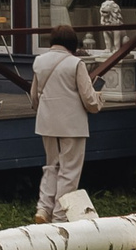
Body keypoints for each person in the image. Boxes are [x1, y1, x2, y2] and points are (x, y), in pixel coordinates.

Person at [29, 25, 103, 219]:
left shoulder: (39, 61)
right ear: (73, 43)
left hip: (46, 122)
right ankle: (60, 216)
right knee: (69, 171)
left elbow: (34, 96)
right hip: (72, 124)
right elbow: (89, 99)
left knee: (51, 166)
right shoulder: (76, 64)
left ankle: (43, 208)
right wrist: (99, 100)